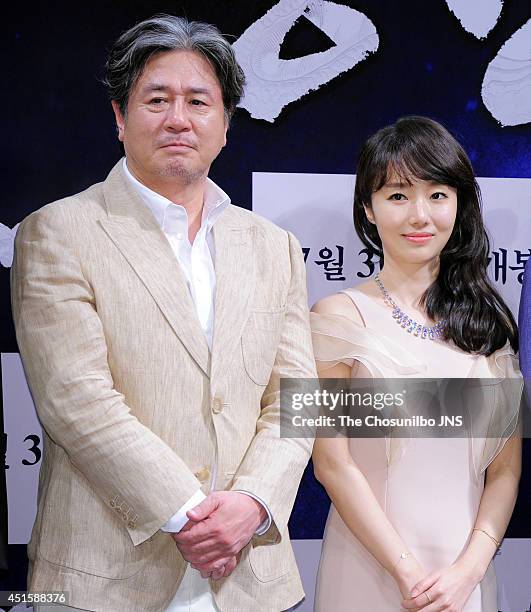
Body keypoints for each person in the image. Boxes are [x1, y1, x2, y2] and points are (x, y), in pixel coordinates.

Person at [10, 14, 316, 612]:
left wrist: (251, 504)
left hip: (250, 576)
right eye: (157, 99)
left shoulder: (272, 244)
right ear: (121, 119)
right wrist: (189, 516)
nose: (179, 118)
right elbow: (76, 400)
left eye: (199, 101)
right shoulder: (59, 231)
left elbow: (294, 398)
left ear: (226, 124)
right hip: (103, 575)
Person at [311, 116, 522, 611]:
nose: (419, 215)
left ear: (459, 204)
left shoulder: (490, 326)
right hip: (369, 573)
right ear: (368, 207)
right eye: (398, 195)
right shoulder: (331, 316)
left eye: (438, 195)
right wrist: (407, 572)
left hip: (466, 581)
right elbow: (330, 464)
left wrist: (469, 571)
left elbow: (507, 470)